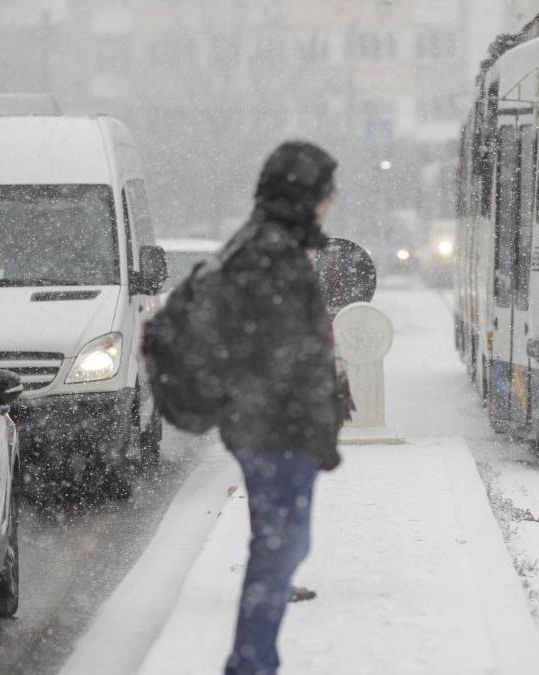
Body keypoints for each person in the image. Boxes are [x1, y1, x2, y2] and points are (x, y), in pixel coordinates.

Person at [218, 141, 343, 675]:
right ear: (302, 194)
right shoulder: (270, 252)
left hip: (271, 426)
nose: (330, 200)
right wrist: (311, 427)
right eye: (324, 190)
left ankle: (254, 661)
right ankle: (250, 665)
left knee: (283, 546)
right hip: (275, 431)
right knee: (277, 550)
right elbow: (281, 353)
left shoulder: (266, 244)